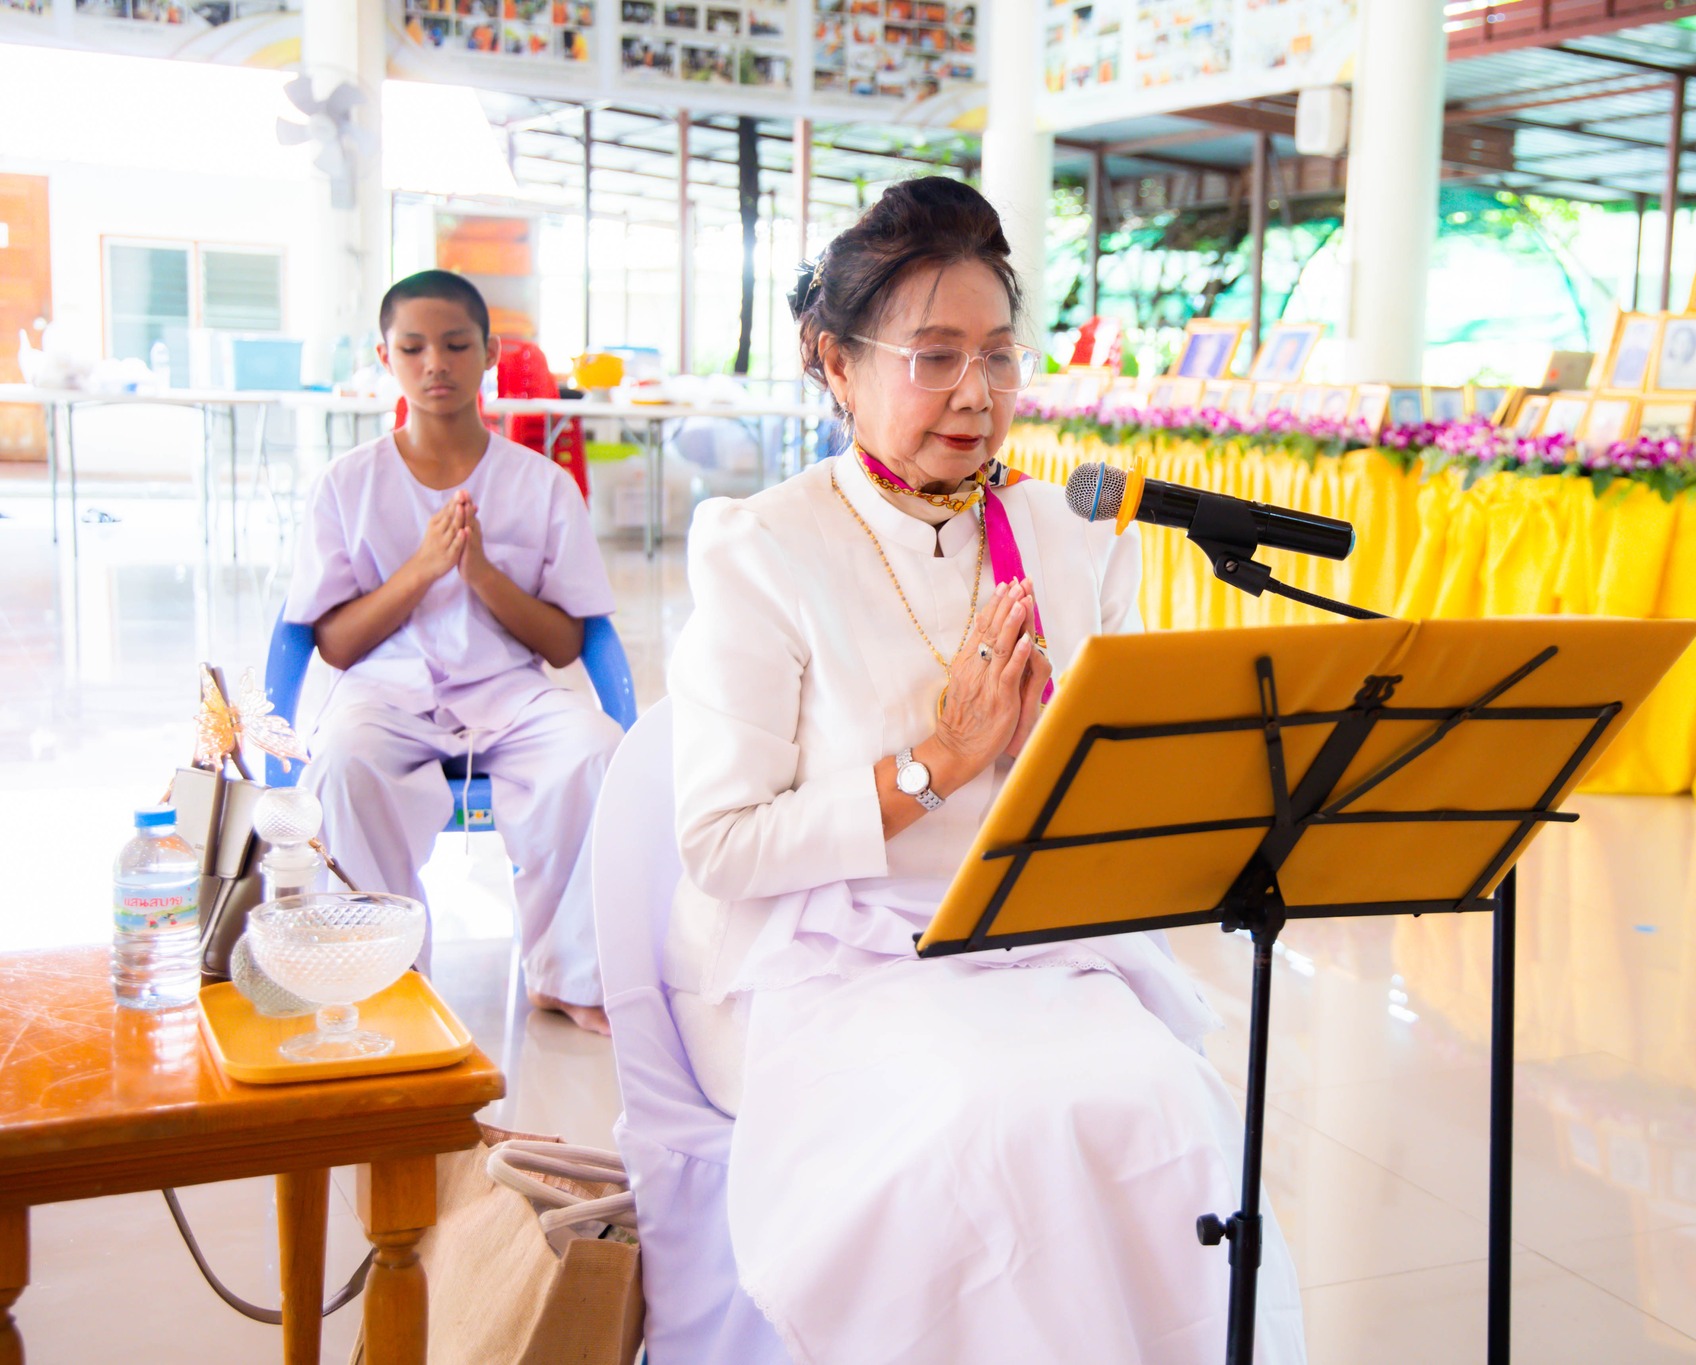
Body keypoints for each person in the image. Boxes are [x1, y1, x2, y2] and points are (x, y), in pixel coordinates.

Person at [662, 177, 1306, 1363]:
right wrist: (940, 762)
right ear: (833, 361)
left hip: (1043, 939)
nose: (976, 395)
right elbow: (719, 844)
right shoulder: (764, 549)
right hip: (846, 951)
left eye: (1000, 357)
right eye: (933, 356)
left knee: (1160, 1106)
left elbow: (1120, 776)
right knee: (984, 1125)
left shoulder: (1071, 530)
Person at [285, 270, 620, 1035]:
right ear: (385, 356)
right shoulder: (347, 484)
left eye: (456, 344)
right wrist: (423, 569)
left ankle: (568, 973)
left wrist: (480, 574)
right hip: (386, 695)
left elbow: (566, 640)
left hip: (507, 692)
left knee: (593, 750)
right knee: (342, 760)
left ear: (489, 353)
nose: (435, 362)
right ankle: (380, 977)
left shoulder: (542, 485)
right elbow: (334, 643)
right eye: (412, 346)